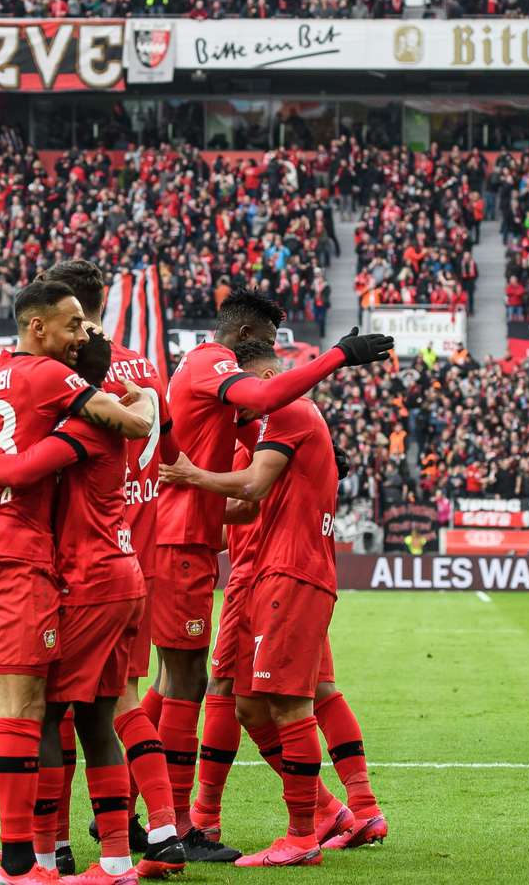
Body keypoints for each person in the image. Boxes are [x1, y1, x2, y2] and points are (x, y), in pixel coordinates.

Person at [0, 279, 155, 885]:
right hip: (22, 559)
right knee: (29, 709)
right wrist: (145, 393)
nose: (79, 337)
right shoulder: (52, 378)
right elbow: (133, 423)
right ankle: (22, 867)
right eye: (72, 325)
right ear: (38, 327)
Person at [146, 290, 391, 862]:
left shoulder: (273, 410)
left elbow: (251, 488)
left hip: (278, 571)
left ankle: (246, 824)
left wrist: (186, 478)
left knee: (237, 693)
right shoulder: (232, 404)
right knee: (249, 697)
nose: (250, 405)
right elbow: (248, 499)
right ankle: (343, 809)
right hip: (258, 571)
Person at [39, 260, 181, 867]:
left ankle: (57, 846)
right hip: (135, 555)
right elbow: (171, 455)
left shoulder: (64, 375)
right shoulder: (145, 370)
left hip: (77, 559)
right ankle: (162, 829)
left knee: (57, 708)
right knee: (121, 698)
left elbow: (30, 461)